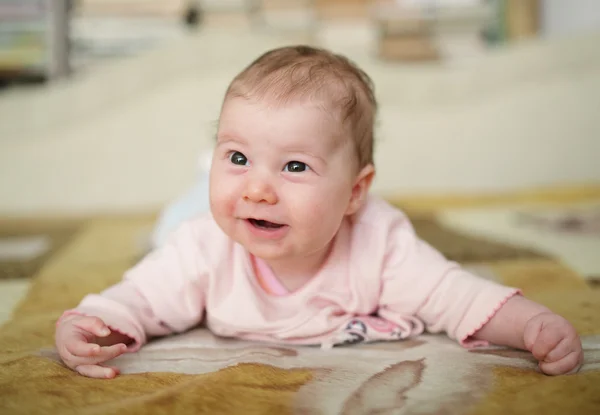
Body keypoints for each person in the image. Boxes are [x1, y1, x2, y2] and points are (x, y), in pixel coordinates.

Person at [54, 45, 583, 379]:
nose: (259, 190)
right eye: (237, 155)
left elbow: (455, 295)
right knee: (172, 227)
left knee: (222, 198)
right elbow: (143, 296)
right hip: (194, 217)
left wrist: (532, 323)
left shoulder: (380, 245)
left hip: (249, 210)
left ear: (355, 192)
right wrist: (98, 324)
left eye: (295, 166)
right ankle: (205, 175)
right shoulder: (202, 246)